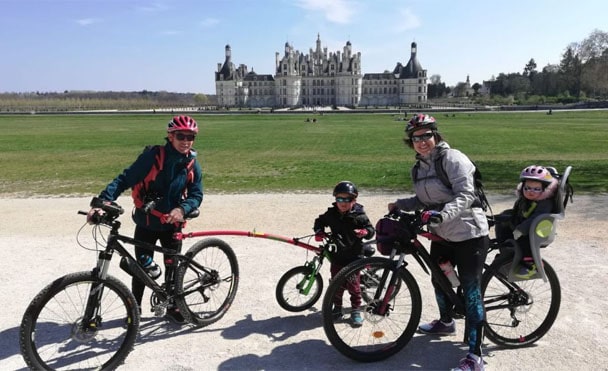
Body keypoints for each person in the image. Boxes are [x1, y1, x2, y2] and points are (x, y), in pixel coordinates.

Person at [388, 114, 489, 371]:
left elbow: (466, 194)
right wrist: (402, 204)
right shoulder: (419, 167)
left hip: (469, 233)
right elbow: (425, 199)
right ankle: (446, 322)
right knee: (439, 278)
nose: (421, 141)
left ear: (436, 135)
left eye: (425, 135)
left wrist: (442, 214)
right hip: (442, 233)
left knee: (471, 289)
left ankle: (475, 357)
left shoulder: (452, 158)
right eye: (415, 138)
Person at [89, 115, 203, 324]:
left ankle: (173, 305)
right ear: (170, 136)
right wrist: (103, 202)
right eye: (181, 136)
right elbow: (124, 178)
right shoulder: (153, 157)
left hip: (172, 225)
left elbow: (196, 195)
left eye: (190, 137)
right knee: (141, 270)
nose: (186, 140)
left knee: (172, 267)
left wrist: (182, 209)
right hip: (146, 223)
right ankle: (135, 309)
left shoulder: (192, 164)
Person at [313, 181, 375, 327]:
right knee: (336, 284)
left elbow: (370, 230)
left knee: (354, 286)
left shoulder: (359, 215)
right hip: (337, 256)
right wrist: (319, 231)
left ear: (354, 200)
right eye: (339, 199)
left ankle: (355, 311)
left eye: (347, 199)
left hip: (354, 256)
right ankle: (337, 308)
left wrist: (365, 232)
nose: (343, 203)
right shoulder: (331, 214)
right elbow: (319, 221)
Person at [495, 165, 558, 279]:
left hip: (534, 230)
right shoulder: (525, 200)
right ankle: (506, 256)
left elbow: (535, 218)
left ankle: (530, 265)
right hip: (522, 225)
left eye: (536, 189)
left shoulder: (544, 203)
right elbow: (516, 212)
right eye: (527, 188)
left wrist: (521, 229)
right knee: (502, 226)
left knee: (523, 242)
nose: (530, 192)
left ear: (545, 189)